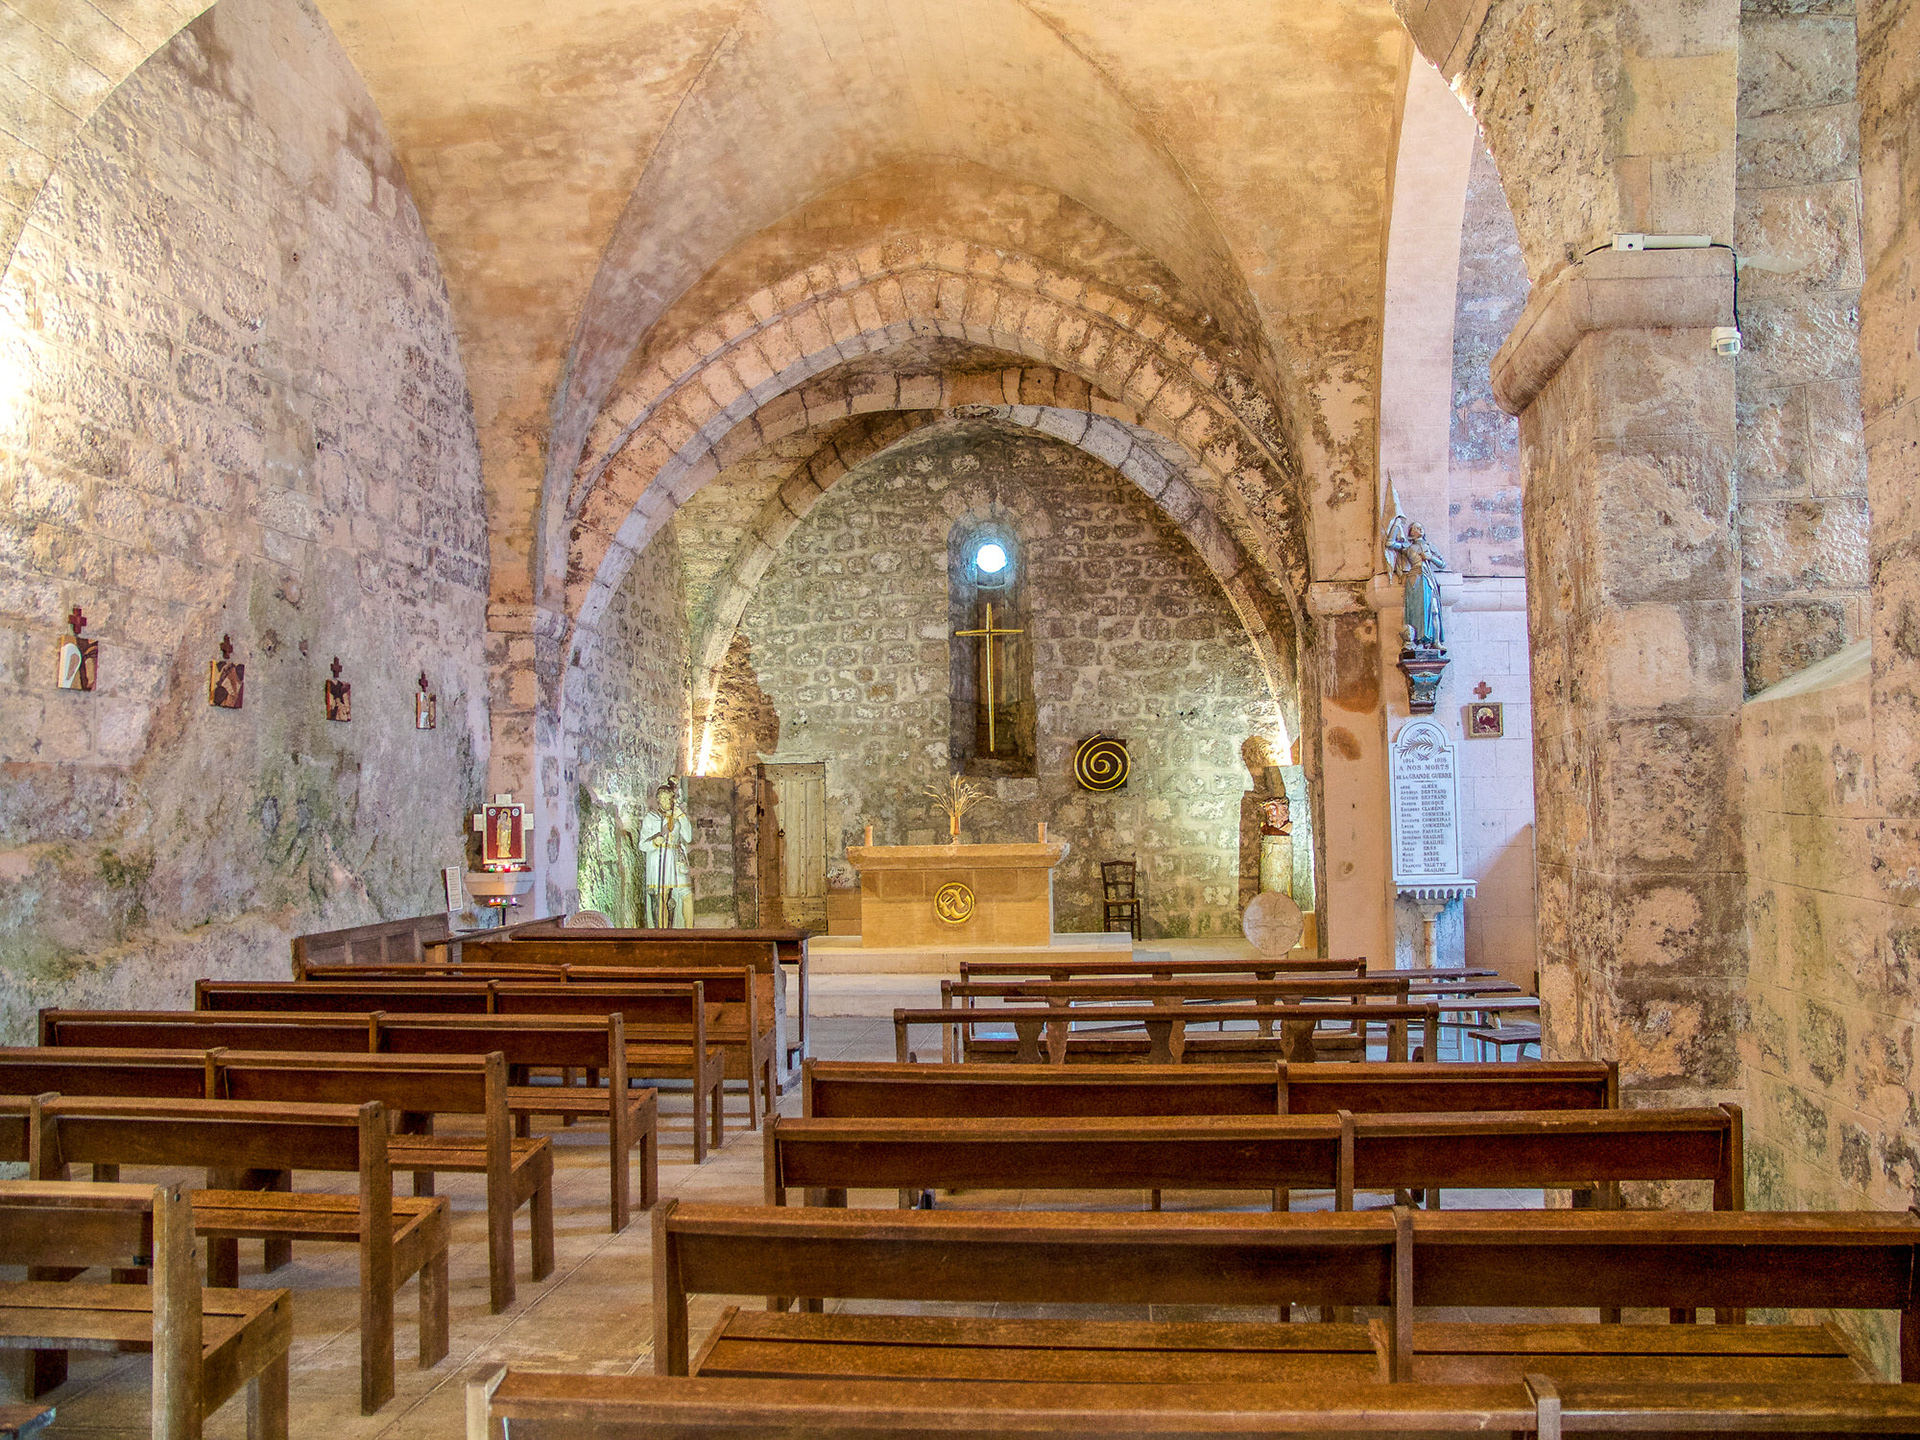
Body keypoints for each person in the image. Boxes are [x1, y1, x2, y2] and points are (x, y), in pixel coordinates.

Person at [1384, 516, 1446, 651]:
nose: (1420, 529)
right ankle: (1417, 639)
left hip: (1428, 579)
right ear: (1411, 532)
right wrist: (1396, 523)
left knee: (1434, 610)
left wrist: (1431, 558)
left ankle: (1435, 641)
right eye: (1417, 528)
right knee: (1416, 610)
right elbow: (1390, 543)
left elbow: (1442, 564)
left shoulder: (1429, 546)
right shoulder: (1408, 547)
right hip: (1415, 579)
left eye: (1421, 527)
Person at [638, 781, 693, 928]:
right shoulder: (651, 817)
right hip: (659, 859)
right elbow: (642, 845)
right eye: (662, 799)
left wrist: (681, 816)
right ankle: (663, 933)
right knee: (662, 896)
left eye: (668, 798)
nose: (666, 802)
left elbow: (688, 837)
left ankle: (689, 931)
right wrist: (655, 842)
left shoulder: (678, 817)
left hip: (676, 859)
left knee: (686, 893)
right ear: (658, 800)